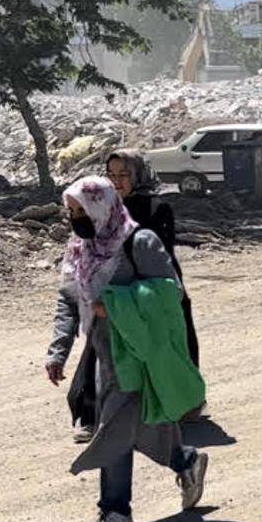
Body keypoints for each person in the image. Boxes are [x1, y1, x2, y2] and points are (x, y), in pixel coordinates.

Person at [46, 176, 208, 522]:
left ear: (101, 206)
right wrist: (57, 350)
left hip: (137, 352)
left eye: (80, 211)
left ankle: (115, 511)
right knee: (145, 424)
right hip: (103, 355)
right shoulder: (79, 249)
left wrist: (117, 303)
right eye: (70, 211)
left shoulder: (140, 242)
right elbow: (69, 301)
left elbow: (170, 292)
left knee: (113, 428)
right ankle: (186, 461)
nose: (74, 218)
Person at [66, 151, 202, 444]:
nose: (116, 181)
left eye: (123, 174)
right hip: (108, 297)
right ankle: (93, 416)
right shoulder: (95, 206)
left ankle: (177, 406)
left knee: (163, 349)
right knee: (100, 354)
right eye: (111, 175)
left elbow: (159, 255)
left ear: (138, 174)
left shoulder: (155, 208)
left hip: (146, 292)